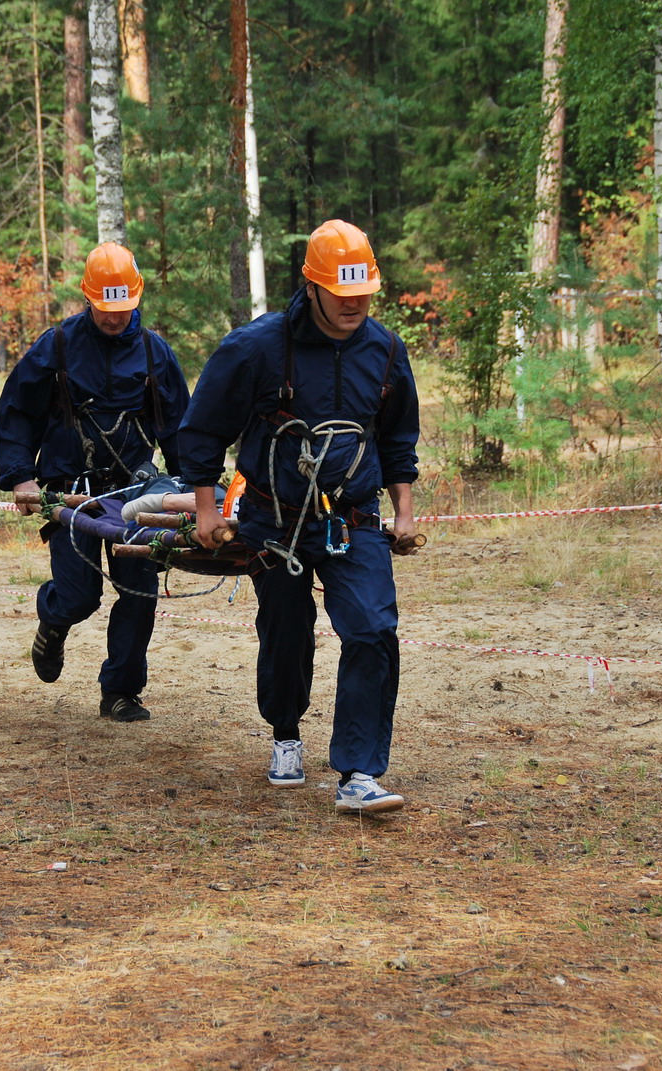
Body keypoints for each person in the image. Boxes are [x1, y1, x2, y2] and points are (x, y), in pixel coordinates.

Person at [179, 220, 420, 813]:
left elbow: (398, 440)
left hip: (352, 518)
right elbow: (204, 430)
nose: (354, 302)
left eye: (363, 289)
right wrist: (207, 509)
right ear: (311, 286)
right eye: (342, 290)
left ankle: (359, 773)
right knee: (287, 631)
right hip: (272, 519)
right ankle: (285, 732)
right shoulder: (257, 348)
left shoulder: (386, 351)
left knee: (371, 628)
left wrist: (405, 513)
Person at [0, 243, 190, 722]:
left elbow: (181, 426)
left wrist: (194, 487)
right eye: (105, 308)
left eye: (123, 308)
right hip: (69, 489)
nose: (115, 317)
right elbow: (17, 411)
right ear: (89, 298)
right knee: (80, 595)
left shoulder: (153, 352)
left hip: (137, 494)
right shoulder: (56, 346)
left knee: (139, 593)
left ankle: (121, 691)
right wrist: (20, 477)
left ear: (136, 298)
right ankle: (52, 620)